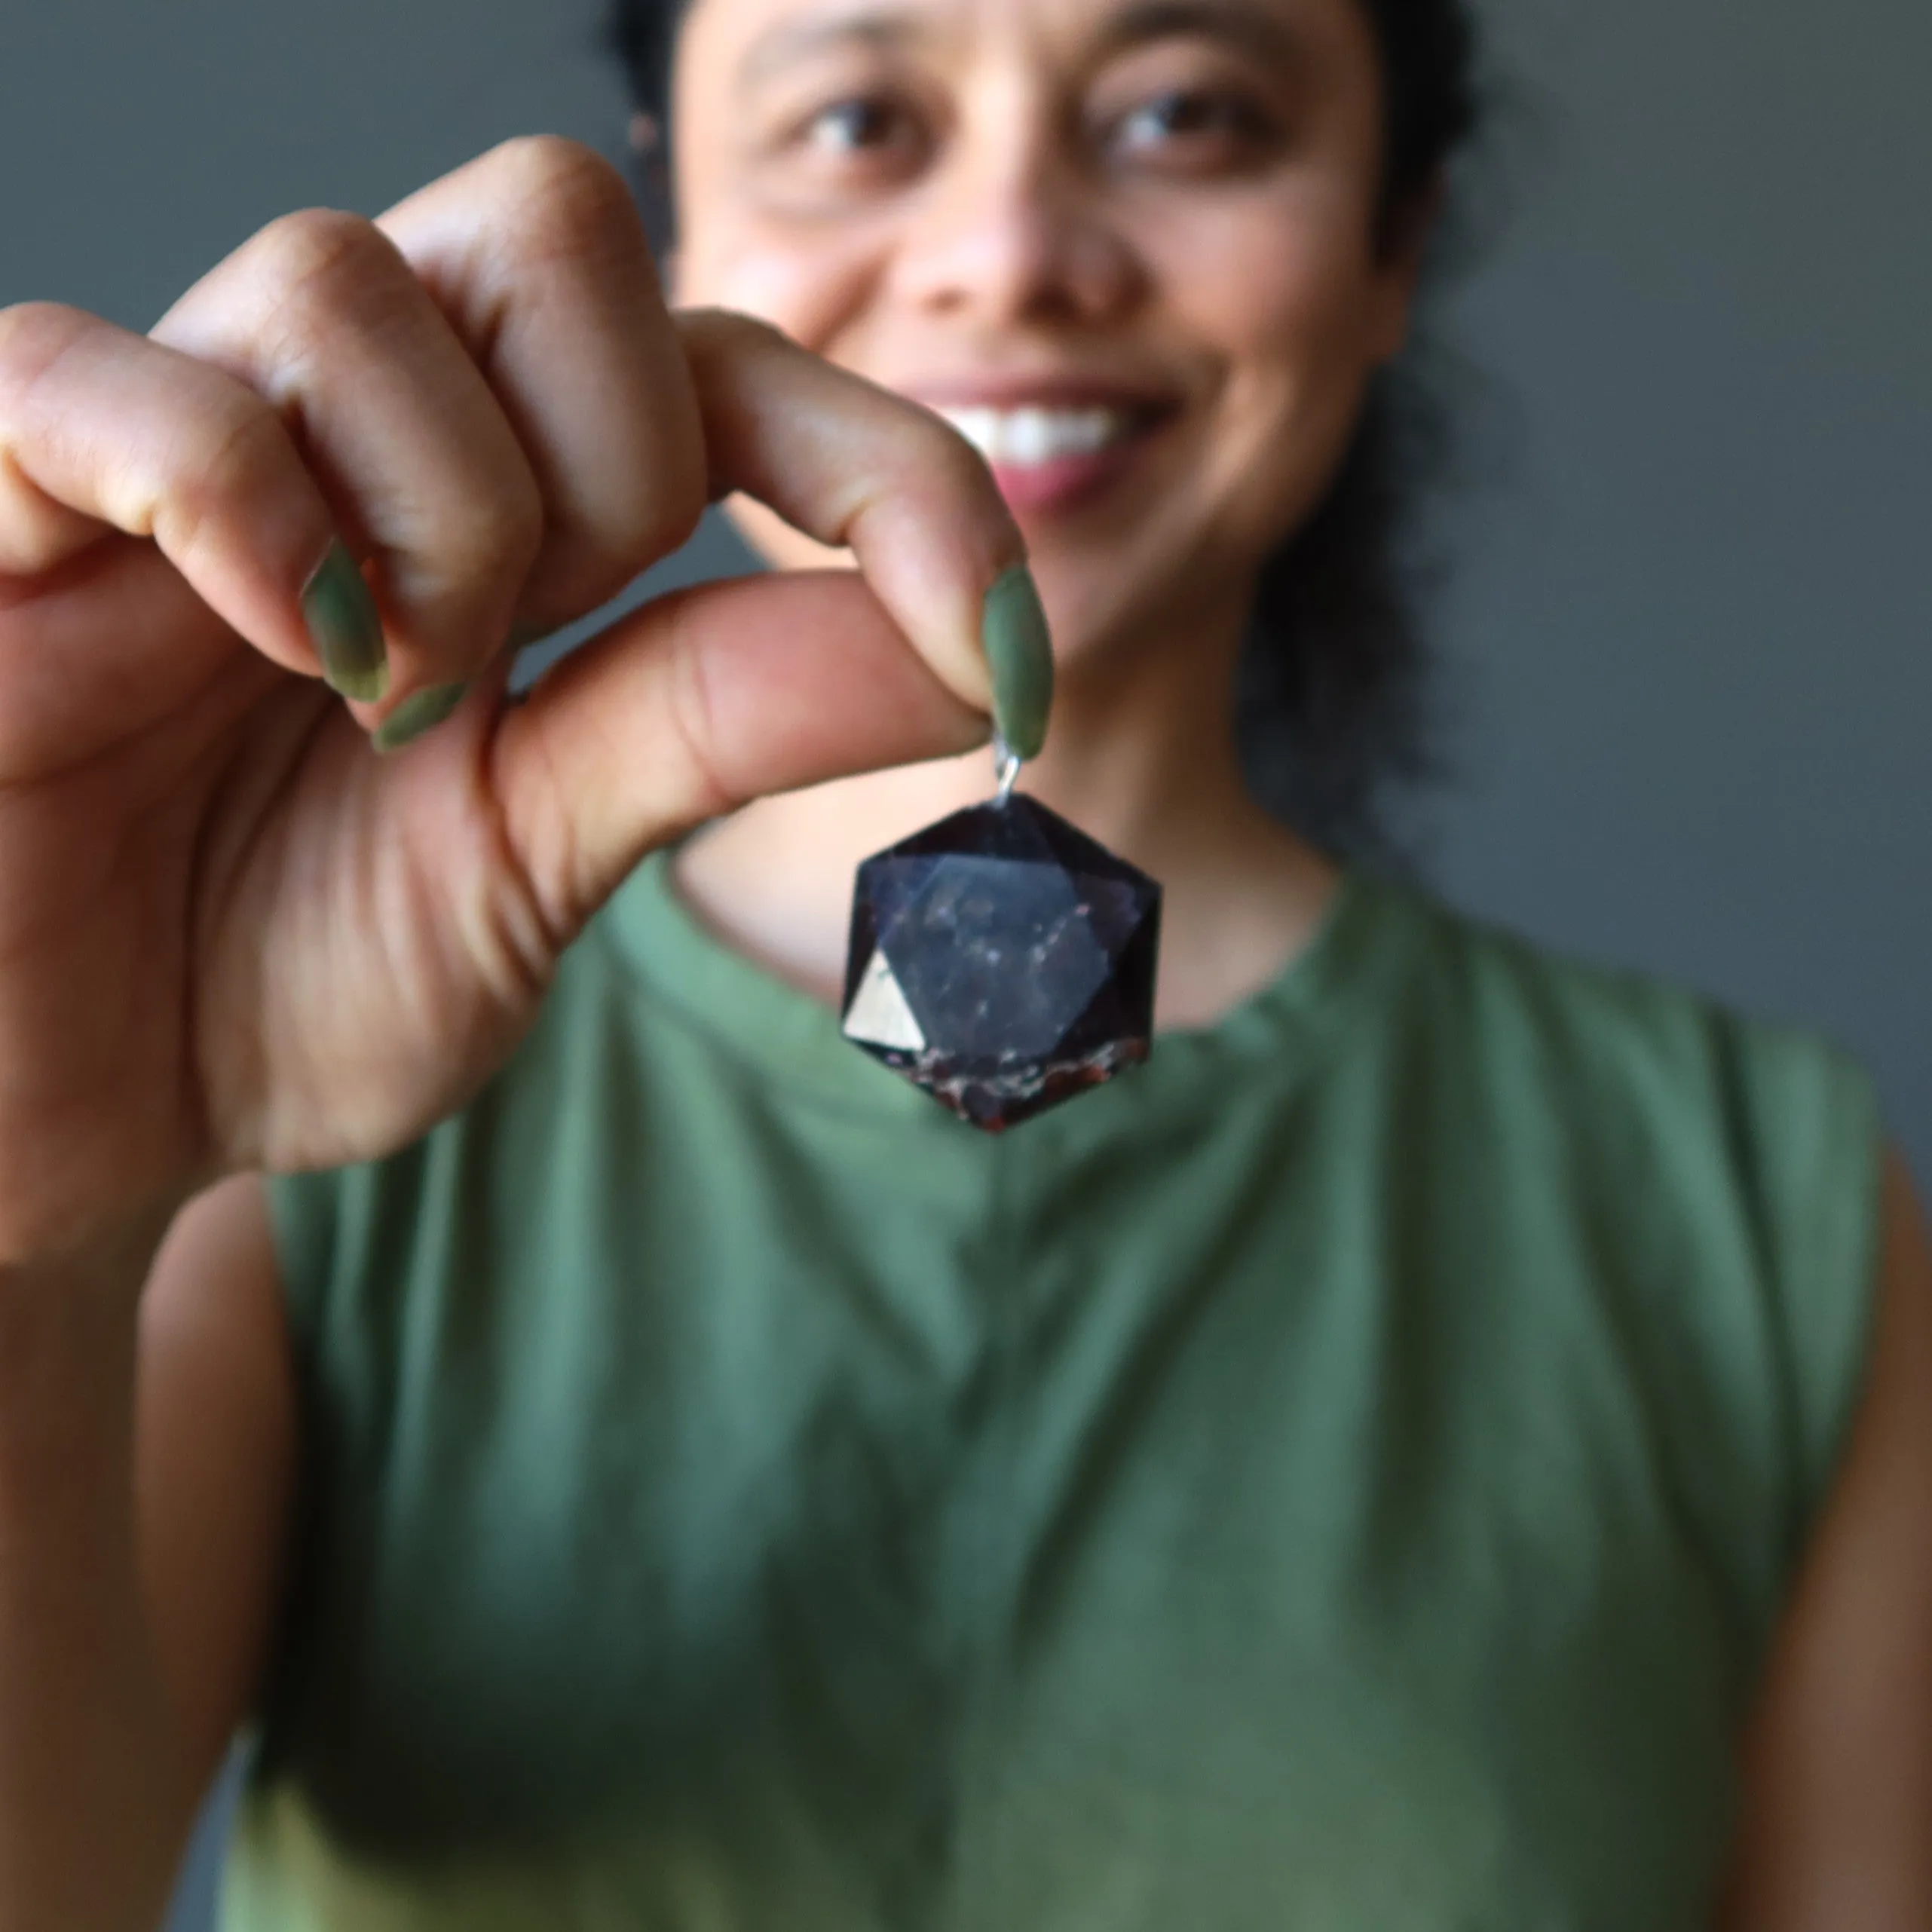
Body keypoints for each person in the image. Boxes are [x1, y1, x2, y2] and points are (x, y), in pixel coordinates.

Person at [0, 0, 1927, 1926]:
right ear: (677, 226)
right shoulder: (281, 1116)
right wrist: (35, 1212)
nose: (1010, 250)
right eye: (858, 117)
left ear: (1390, 239)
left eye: (1187, 113)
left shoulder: (1754, 1211)